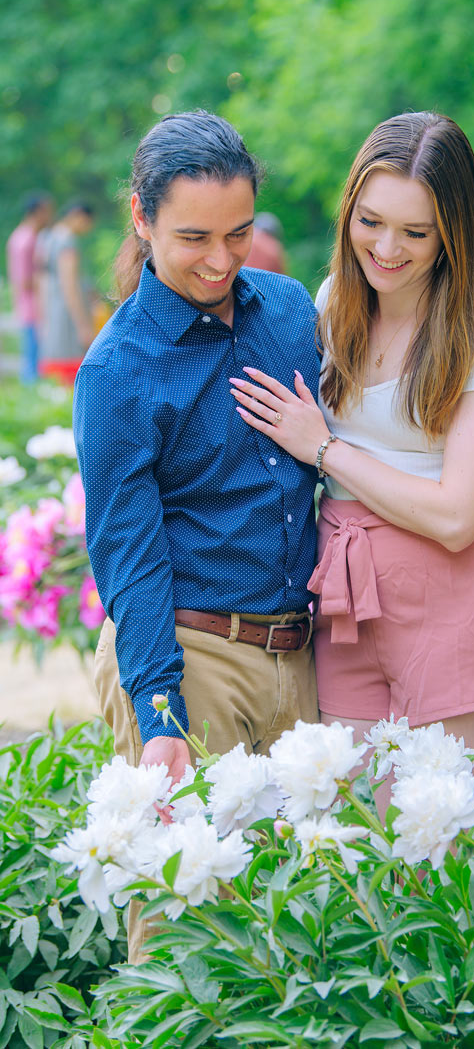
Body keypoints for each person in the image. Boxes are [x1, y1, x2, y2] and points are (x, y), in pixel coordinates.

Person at [230, 111, 474, 814]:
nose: (387, 248)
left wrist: (325, 446)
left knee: (451, 861)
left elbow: (460, 514)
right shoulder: (332, 305)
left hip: (458, 610)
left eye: (417, 231)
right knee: (354, 857)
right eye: (371, 221)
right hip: (347, 611)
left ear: (453, 232)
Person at [73, 111, 319, 957]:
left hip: (302, 655)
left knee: (309, 922)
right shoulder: (117, 371)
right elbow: (129, 558)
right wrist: (162, 713)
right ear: (140, 218)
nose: (220, 260)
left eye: (239, 233)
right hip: (193, 654)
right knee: (188, 928)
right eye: (193, 238)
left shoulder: (288, 309)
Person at [39, 200, 96, 384]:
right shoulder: (67, 241)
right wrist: (83, 326)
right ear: (78, 215)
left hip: (52, 307)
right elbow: (70, 284)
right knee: (70, 371)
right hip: (68, 314)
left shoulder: (48, 237)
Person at [5, 191, 54, 382]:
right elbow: (25, 281)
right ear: (38, 212)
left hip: (33, 307)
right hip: (32, 308)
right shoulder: (25, 240)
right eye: (47, 211)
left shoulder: (27, 237)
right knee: (33, 361)